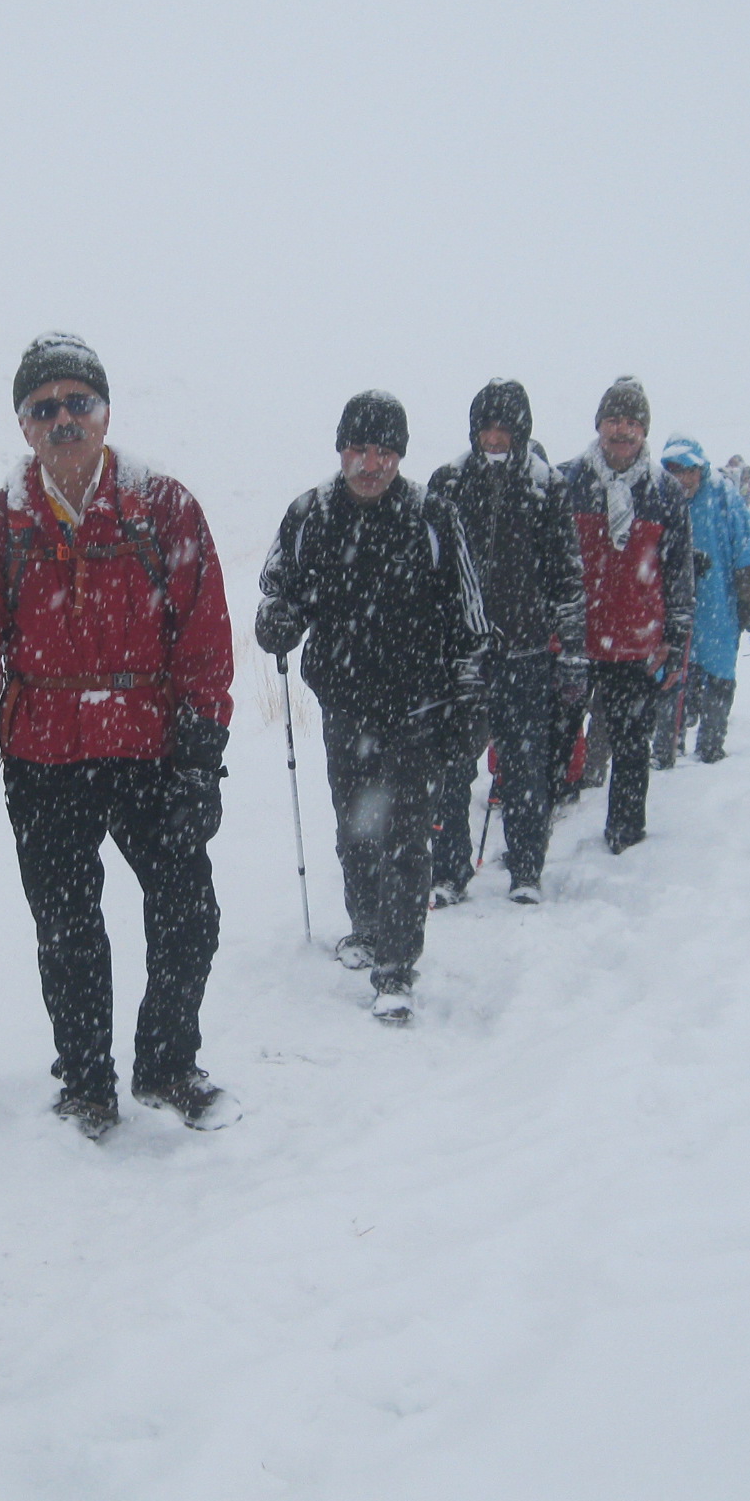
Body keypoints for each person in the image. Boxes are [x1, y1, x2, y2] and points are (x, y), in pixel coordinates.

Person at [0, 333, 237, 1139]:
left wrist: (200, 763)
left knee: (188, 911)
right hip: (43, 761)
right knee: (67, 932)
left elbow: (205, 641)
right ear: (23, 425)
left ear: (106, 411)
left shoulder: (164, 507)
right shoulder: (0, 525)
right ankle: (87, 1083)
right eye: (45, 407)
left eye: (79, 403)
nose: (64, 418)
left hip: (150, 752)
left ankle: (168, 1065)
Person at [255, 391, 488, 1025]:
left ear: (400, 456)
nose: (371, 463)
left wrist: (471, 700)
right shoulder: (309, 516)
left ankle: (397, 964)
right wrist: (276, 623)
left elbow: (470, 620)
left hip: (421, 706)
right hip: (344, 703)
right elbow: (279, 592)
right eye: (360, 449)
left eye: (385, 451)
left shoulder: (433, 516)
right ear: (341, 449)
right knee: (356, 825)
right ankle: (364, 926)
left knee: (407, 836)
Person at [424, 380, 585, 905]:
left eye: (504, 431)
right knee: (450, 769)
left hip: (526, 653)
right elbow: (430, 572)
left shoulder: (547, 486)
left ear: (521, 433)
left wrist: (574, 653)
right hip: (460, 658)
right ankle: (449, 872)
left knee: (524, 769)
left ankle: (526, 870)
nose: (494, 439)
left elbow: (567, 575)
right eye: (486, 430)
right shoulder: (446, 483)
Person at [557, 378, 696, 850]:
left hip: (636, 644)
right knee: (554, 742)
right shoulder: (566, 482)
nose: (623, 431)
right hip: (571, 641)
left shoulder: (665, 494)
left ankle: (625, 837)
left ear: (644, 431)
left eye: (633, 423)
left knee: (631, 749)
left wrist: (674, 638)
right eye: (614, 420)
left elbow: (679, 574)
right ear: (598, 425)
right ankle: (537, 832)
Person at [658, 435, 750, 761]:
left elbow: (749, 549)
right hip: (673, 607)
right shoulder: (661, 499)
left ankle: (710, 746)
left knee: (719, 673)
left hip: (719, 605)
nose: (682, 479)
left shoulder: (723, 498)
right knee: (671, 675)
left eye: (688, 471)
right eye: (674, 471)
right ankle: (666, 748)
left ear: (700, 469)